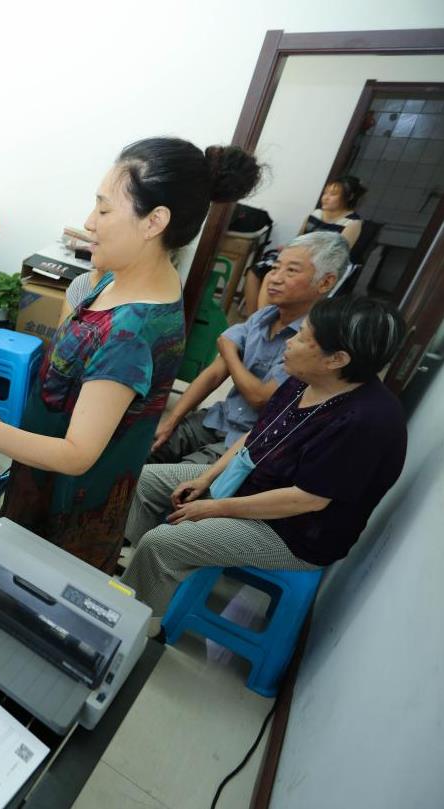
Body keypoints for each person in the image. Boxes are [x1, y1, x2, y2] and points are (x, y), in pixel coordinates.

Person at [0, 138, 262, 571]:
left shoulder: (132, 334)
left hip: (68, 509)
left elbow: (76, 454)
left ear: (154, 222)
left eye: (104, 211)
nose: (89, 222)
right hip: (40, 477)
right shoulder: (121, 280)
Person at [121, 297, 407, 624]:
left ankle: (139, 625)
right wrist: (207, 478)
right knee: (143, 481)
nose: (290, 342)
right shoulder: (305, 377)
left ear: (337, 359)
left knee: (162, 543)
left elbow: (307, 500)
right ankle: (141, 575)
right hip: (253, 480)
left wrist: (215, 508)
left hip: (289, 531)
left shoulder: (367, 422)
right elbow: (257, 433)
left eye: (303, 338)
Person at [150, 231, 347, 465]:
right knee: (141, 452)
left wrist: (229, 353)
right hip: (216, 419)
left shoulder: (314, 341)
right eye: (275, 267)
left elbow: (260, 398)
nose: (275, 278)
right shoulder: (263, 317)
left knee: (160, 480)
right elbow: (214, 374)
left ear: (325, 282)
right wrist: (171, 421)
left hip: (247, 446)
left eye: (291, 271)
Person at [244, 175, 366, 314]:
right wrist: (288, 248)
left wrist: (302, 260)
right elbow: (299, 239)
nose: (326, 198)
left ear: (349, 197)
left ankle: (265, 319)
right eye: (325, 193)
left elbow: (337, 256)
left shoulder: (352, 223)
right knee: (255, 271)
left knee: (280, 278)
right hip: (298, 258)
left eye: (333, 194)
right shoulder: (315, 214)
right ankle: (254, 319)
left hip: (320, 265)